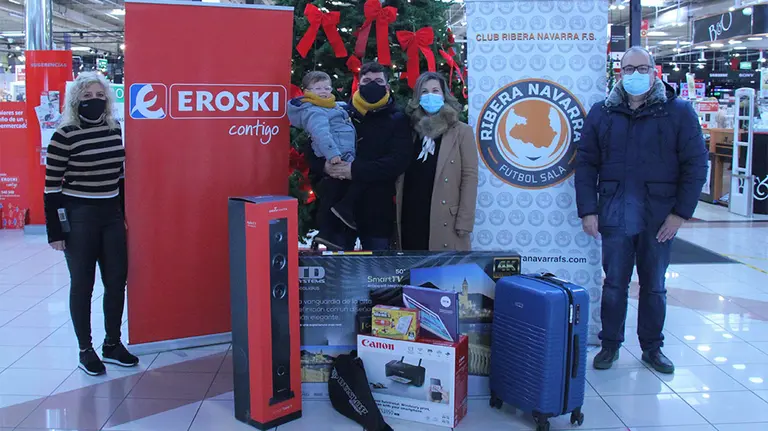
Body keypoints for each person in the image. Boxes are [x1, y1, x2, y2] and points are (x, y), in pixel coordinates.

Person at [576, 47, 708, 375]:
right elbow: (586, 163)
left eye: (642, 68)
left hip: (659, 218)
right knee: (615, 284)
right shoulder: (602, 113)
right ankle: (610, 345)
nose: (635, 74)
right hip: (615, 213)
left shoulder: (678, 112)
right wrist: (588, 210)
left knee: (655, 285)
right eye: (628, 68)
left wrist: (680, 213)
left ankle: (652, 347)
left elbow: (696, 163)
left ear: (653, 70)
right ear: (619, 73)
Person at [44, 72, 138, 376]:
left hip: (110, 214)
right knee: (82, 285)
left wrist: (123, 213)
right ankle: (86, 349)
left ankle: (112, 343)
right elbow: (51, 188)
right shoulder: (64, 134)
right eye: (87, 97)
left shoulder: (115, 130)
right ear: (75, 101)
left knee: (116, 280)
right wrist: (56, 231)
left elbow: (121, 178)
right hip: (79, 214)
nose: (94, 102)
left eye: (99, 96)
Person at [305, 62, 412, 251]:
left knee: (379, 273)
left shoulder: (398, 119)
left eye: (378, 81)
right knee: (337, 272)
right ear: (359, 84)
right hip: (337, 210)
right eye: (367, 80)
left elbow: (398, 161)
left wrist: (355, 170)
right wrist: (325, 167)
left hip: (377, 209)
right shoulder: (338, 113)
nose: (373, 85)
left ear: (387, 87)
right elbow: (312, 148)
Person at [396, 72, 478, 251]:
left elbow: (469, 177)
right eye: (424, 92)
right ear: (418, 98)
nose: (430, 95)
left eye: (435, 90)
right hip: (411, 213)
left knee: (444, 275)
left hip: (445, 218)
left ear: (444, 95)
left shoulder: (461, 131)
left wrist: (465, 220)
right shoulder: (409, 130)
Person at [287, 71, 358, 249]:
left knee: (339, 190)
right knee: (344, 187)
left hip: (345, 151)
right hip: (336, 155)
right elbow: (321, 134)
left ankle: (333, 227)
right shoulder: (314, 111)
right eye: (318, 88)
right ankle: (330, 228)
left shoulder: (331, 106)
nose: (324, 91)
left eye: (327, 87)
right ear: (307, 91)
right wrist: (332, 154)